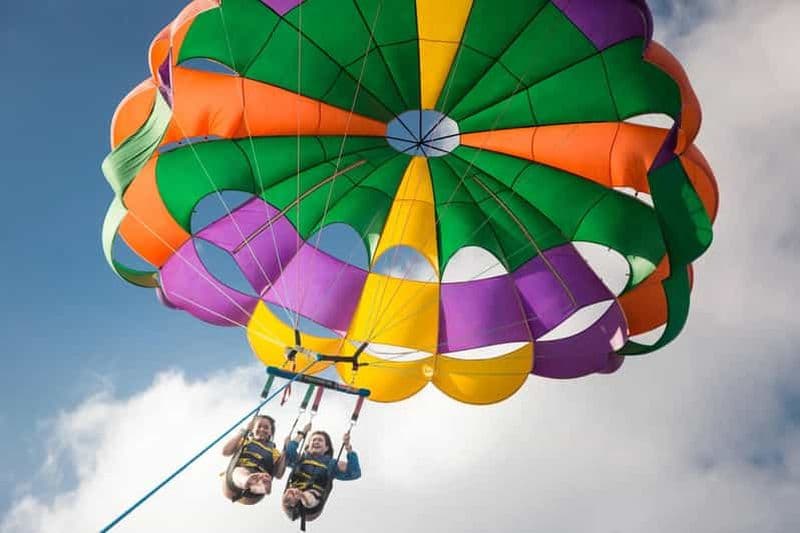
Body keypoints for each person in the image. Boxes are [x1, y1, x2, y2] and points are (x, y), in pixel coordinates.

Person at [281, 423, 361, 525]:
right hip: (293, 498)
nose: (316, 442)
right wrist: (302, 433)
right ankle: (294, 497)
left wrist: (348, 447)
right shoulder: (300, 459)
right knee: (294, 492)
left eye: (320, 440)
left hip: (313, 504)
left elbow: (355, 472)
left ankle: (304, 497)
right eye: (313, 440)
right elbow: (288, 453)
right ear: (308, 446)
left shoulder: (332, 464)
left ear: (326, 448)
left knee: (310, 494)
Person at [221, 415, 286, 504]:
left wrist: (285, 452)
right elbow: (226, 452)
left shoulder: (275, 452)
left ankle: (260, 486)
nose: (262, 429)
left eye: (266, 428)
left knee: (261, 478)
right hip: (234, 481)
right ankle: (247, 480)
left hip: (256, 487)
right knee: (240, 471)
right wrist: (243, 432)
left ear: (271, 432)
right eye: (259, 426)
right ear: (252, 429)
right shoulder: (244, 441)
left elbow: (278, 475)